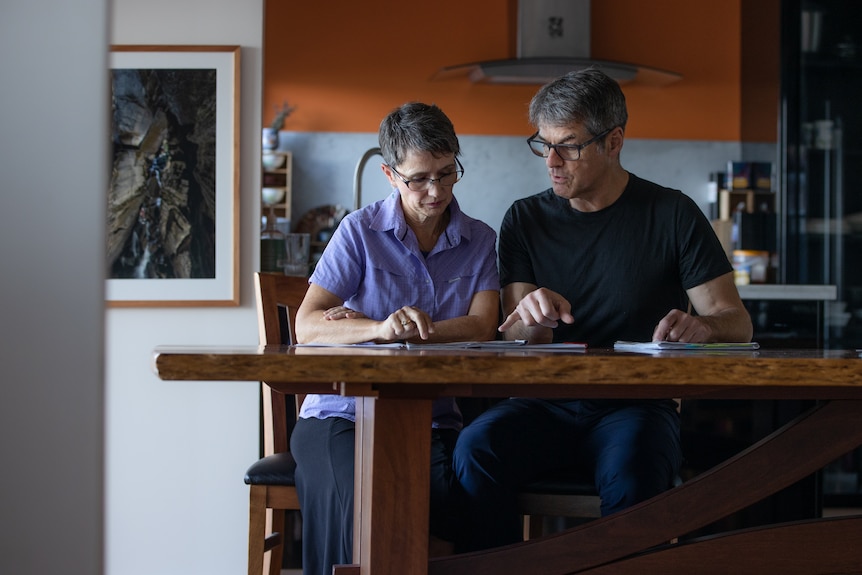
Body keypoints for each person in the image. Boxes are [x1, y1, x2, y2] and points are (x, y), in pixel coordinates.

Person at [452, 68, 753, 552]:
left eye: (568, 145)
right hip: (541, 403)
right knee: (475, 448)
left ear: (614, 141)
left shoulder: (673, 214)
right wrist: (532, 320)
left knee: (635, 472)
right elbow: (513, 339)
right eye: (542, 144)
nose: (551, 161)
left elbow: (736, 323)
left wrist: (702, 326)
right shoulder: (525, 218)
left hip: (634, 407)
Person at [291, 102, 500, 575]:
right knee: (361, 500)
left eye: (448, 174)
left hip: (431, 419)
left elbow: (483, 324)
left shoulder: (480, 240)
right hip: (339, 415)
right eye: (420, 179)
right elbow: (307, 324)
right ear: (389, 174)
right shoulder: (359, 232)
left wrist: (397, 329)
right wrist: (381, 328)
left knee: (458, 503)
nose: (437, 191)